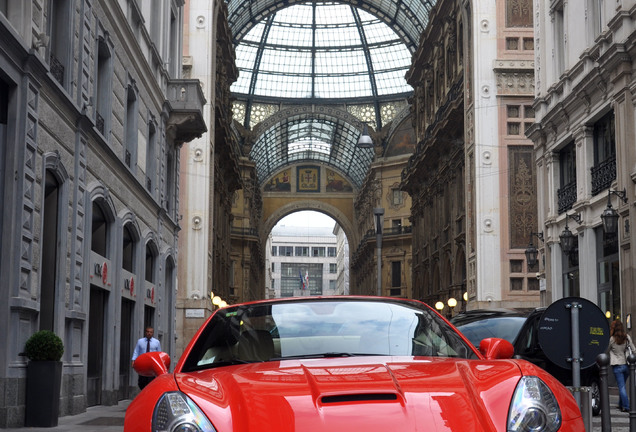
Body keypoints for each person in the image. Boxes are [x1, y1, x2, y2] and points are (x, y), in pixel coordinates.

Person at [607, 319, 636, 412]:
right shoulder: (626, 337)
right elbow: (634, 349)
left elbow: (606, 350)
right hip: (626, 365)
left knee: (621, 387)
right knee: (622, 385)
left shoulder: (612, 339)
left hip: (617, 365)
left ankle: (626, 406)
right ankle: (621, 404)